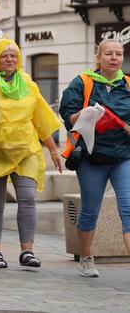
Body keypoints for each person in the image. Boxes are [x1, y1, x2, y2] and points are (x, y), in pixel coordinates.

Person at [0, 39, 62, 269]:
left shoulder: (28, 83)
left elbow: (41, 118)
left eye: (13, 55)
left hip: (26, 150)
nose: (9, 59)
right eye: (4, 56)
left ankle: (27, 251)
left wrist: (54, 150)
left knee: (27, 199)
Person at [59, 38, 130, 277]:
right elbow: (68, 115)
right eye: (109, 53)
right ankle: (87, 258)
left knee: (129, 207)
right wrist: (84, 114)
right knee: (90, 210)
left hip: (123, 156)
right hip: (92, 157)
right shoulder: (83, 82)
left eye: (118, 54)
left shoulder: (128, 84)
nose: (114, 58)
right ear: (98, 58)